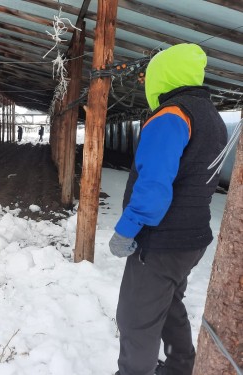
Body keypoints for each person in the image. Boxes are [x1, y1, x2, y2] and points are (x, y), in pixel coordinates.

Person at [109, 44, 227, 375]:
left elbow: (155, 185)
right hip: (193, 239)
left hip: (161, 240)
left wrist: (128, 228)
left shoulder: (171, 116)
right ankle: (180, 365)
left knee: (136, 316)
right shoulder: (213, 118)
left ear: (162, 76)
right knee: (169, 304)